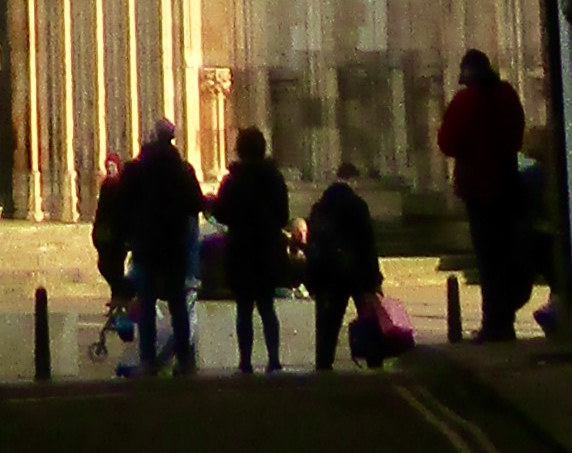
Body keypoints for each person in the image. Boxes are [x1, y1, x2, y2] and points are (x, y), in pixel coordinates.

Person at [437, 47, 532, 341]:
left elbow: (447, 142)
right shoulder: (507, 95)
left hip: (479, 188)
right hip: (508, 182)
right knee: (507, 253)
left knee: (489, 258)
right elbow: (518, 132)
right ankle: (506, 319)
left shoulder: (466, 101)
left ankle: (495, 323)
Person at [122, 113, 202, 378]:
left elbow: (126, 199)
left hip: (146, 244)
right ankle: (185, 360)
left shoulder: (138, 168)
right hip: (174, 245)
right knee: (178, 304)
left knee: (146, 304)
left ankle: (148, 360)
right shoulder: (183, 170)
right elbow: (195, 204)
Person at [211, 126, 293, 373]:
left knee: (244, 308)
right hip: (267, 247)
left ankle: (245, 361)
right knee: (267, 306)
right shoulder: (274, 178)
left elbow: (221, 213)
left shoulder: (233, 180)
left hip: (241, 248)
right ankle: (274, 359)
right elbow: (283, 215)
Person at [302, 169, 383, 374]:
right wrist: (375, 279)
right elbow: (368, 244)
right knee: (368, 318)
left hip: (330, 272)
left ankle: (324, 361)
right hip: (356, 271)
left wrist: (313, 279)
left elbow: (314, 244)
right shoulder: (358, 206)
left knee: (328, 322)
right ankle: (374, 358)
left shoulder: (320, 208)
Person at [90, 147, 136, 368]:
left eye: (112, 166)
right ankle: (122, 297)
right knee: (113, 273)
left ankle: (123, 298)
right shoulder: (111, 186)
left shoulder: (114, 187)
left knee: (114, 273)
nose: (110, 169)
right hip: (111, 238)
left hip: (112, 238)